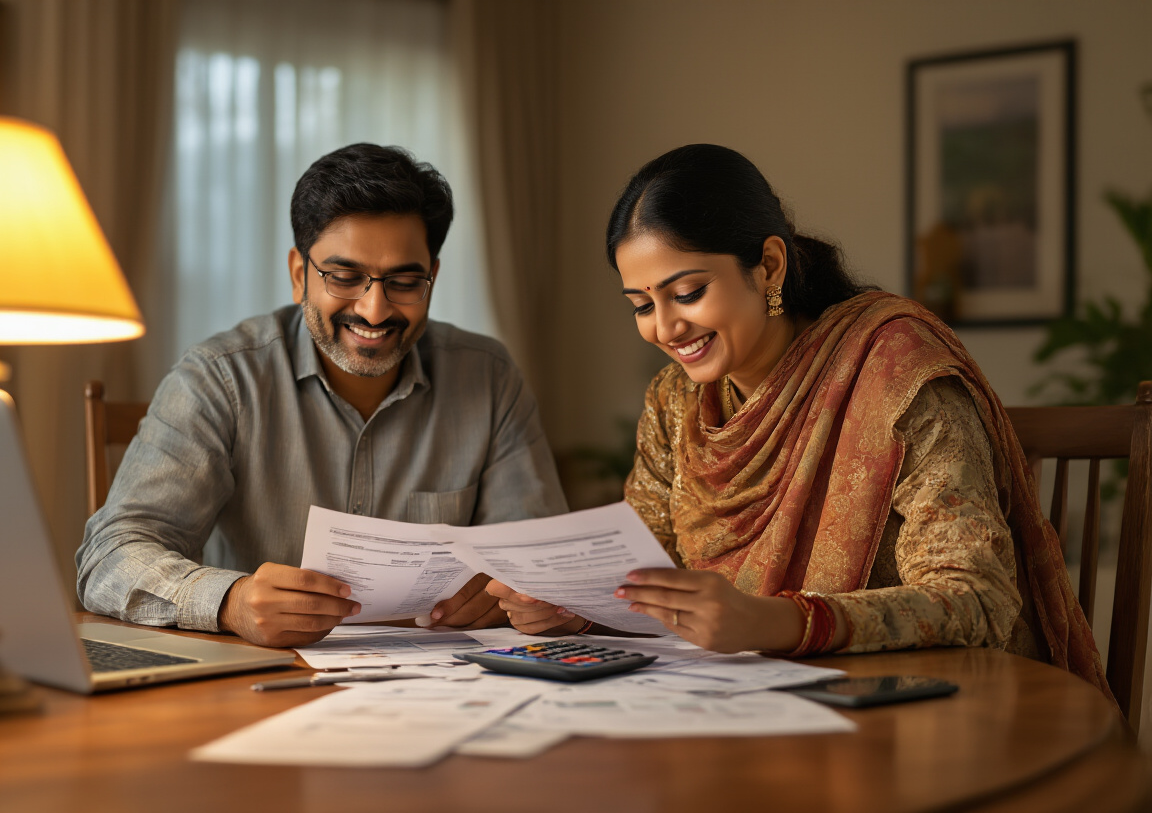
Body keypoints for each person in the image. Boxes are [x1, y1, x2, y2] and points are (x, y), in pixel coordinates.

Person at [488, 143, 1109, 696]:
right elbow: (647, 573)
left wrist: (777, 621)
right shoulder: (675, 401)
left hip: (920, 711)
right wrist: (575, 607)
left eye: (687, 293)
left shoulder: (894, 370)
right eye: (641, 305)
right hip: (742, 702)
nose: (666, 328)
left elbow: (977, 599)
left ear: (769, 266)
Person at [78, 143, 567, 648]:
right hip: (261, 676)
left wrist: (517, 593)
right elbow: (109, 556)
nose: (375, 310)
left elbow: (542, 559)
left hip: (448, 677)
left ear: (432, 279)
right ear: (299, 275)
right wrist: (231, 602)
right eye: (345, 277)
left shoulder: (489, 377)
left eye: (404, 281)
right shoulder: (219, 377)